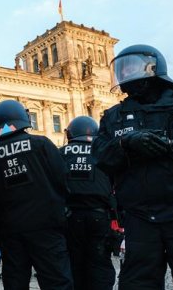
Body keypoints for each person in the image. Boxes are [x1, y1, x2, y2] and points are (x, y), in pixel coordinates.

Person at [92, 44, 173, 288]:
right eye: (121, 70)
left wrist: (170, 145)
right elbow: (100, 157)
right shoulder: (114, 116)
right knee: (137, 281)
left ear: (153, 68)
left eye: (131, 67)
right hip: (139, 216)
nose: (125, 74)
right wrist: (125, 143)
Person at [0, 100, 73, 289]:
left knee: (15, 282)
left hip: (10, 231)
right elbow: (62, 178)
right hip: (46, 227)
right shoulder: (41, 143)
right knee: (56, 281)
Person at [59, 115, 115, 290]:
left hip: (69, 218)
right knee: (100, 265)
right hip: (100, 217)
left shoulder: (61, 153)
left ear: (71, 134)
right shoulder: (104, 153)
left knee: (74, 264)